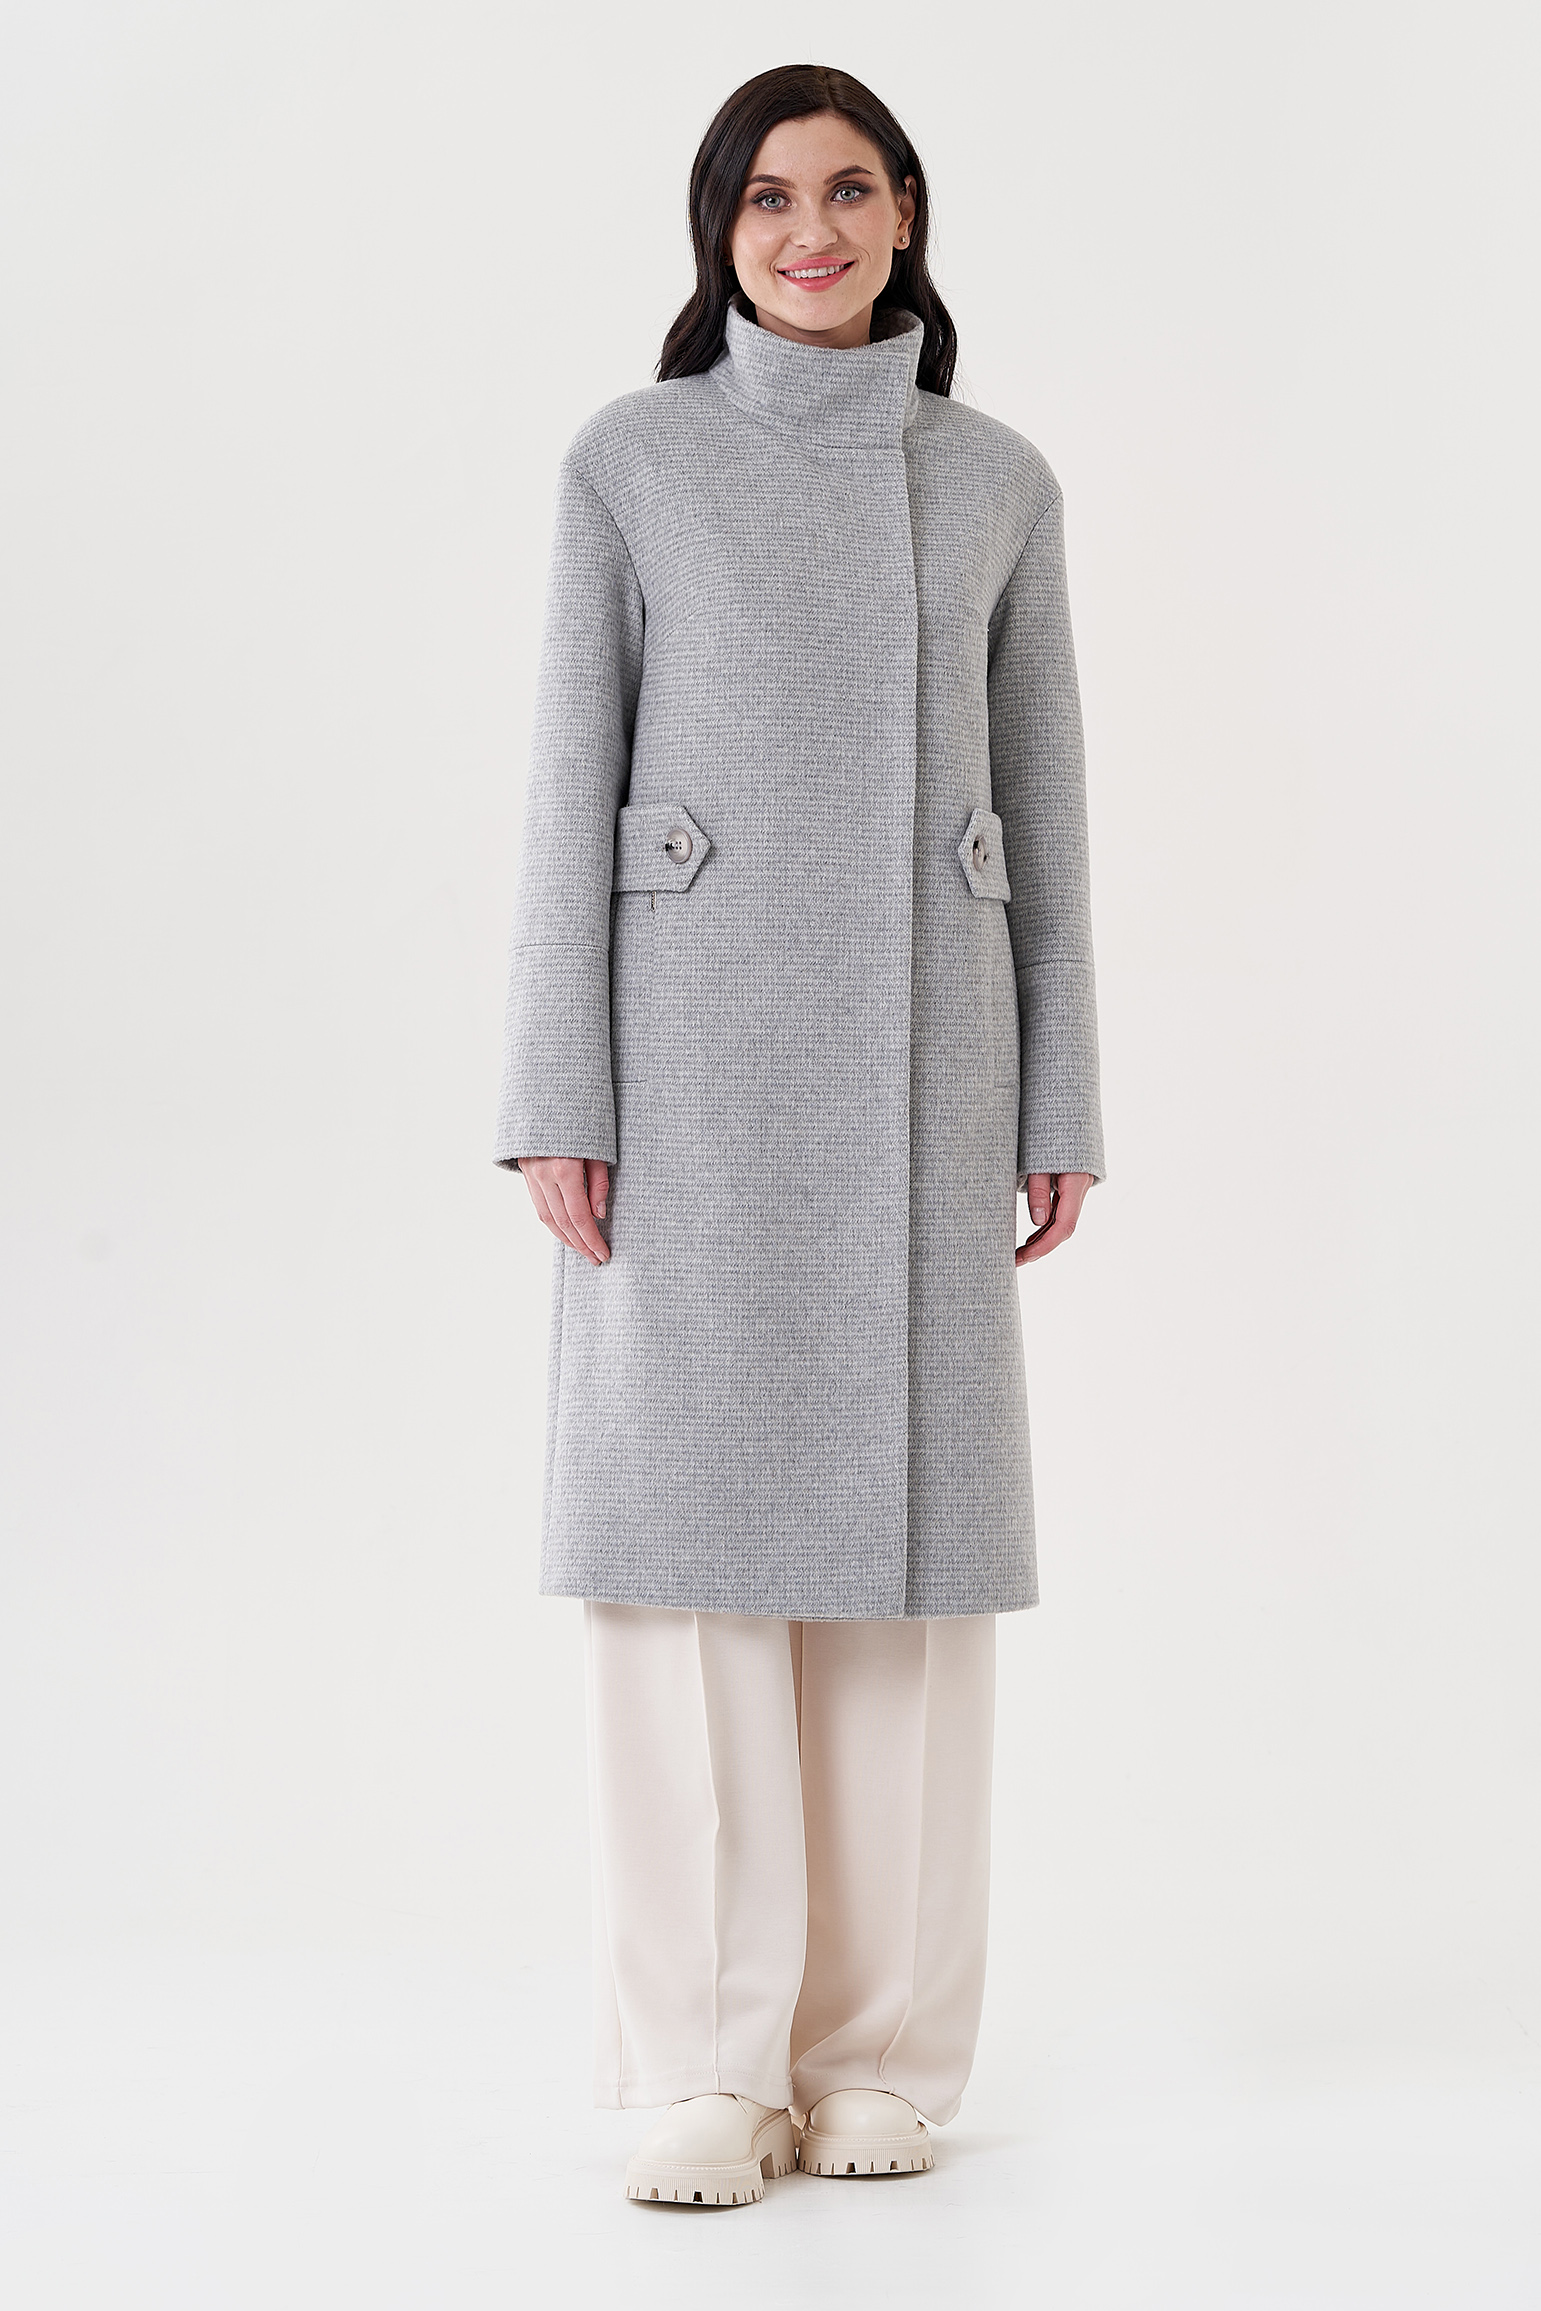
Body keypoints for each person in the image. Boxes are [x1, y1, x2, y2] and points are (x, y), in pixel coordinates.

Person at [494, 62, 1105, 2209]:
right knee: (686, 1569)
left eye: (849, 191)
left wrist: (1061, 1094)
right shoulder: (632, 459)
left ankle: (876, 2059)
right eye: (768, 198)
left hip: (931, 1065)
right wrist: (554, 1095)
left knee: (902, 1592)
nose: (811, 232)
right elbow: (563, 788)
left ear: (907, 212)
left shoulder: (996, 478)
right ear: (720, 229)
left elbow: (1044, 809)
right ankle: (702, 2054)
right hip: (690, 1069)